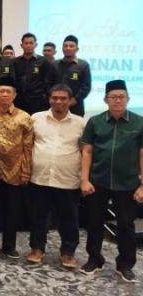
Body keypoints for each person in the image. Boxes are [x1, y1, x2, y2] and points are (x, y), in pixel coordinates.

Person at [79, 79, 143, 282]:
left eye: (121, 97)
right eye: (113, 97)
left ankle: (125, 265)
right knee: (94, 223)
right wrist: (84, 180)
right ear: (105, 99)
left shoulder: (139, 122)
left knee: (126, 226)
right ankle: (94, 260)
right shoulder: (95, 121)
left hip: (128, 183)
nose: (117, 100)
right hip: (98, 181)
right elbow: (87, 151)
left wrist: (142, 185)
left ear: (128, 99)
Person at [27, 84, 85, 268]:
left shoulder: (80, 123)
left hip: (68, 179)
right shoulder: (36, 119)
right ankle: (37, 249)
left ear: (70, 100)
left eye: (63, 98)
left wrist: (84, 177)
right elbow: (28, 145)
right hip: (40, 177)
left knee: (69, 219)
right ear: (49, 99)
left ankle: (68, 253)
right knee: (38, 217)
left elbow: (85, 151)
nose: (58, 101)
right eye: (55, 98)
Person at [0, 76, 33, 259]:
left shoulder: (24, 117)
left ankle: (9, 246)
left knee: (11, 210)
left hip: (13, 170)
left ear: (14, 95)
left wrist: (26, 171)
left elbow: (28, 147)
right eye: (1, 91)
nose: (4, 94)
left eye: (8, 91)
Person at [50, 35, 91, 117]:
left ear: (77, 49)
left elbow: (86, 86)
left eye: (71, 46)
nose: (68, 48)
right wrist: (54, 99)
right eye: (65, 46)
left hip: (76, 106)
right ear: (62, 48)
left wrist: (75, 100)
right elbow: (48, 83)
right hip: (56, 104)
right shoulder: (55, 64)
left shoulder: (83, 65)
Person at [13, 33, 52, 115]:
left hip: (38, 102)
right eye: (26, 43)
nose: (28, 45)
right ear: (21, 45)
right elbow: (13, 80)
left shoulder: (43, 61)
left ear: (35, 45)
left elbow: (47, 81)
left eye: (31, 43)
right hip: (19, 101)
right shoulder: (15, 62)